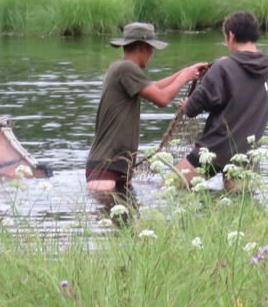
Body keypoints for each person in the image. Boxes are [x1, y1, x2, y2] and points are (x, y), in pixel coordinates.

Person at [85, 22, 207, 192]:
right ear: (143, 47)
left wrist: (184, 72)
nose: (152, 55)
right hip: (105, 167)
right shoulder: (126, 68)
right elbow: (162, 99)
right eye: (151, 49)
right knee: (107, 213)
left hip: (119, 167)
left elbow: (155, 87)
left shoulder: (122, 69)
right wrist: (184, 77)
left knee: (126, 217)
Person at [176, 11, 268, 186]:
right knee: (237, 207)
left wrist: (186, 105)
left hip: (213, 150)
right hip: (247, 156)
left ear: (231, 35)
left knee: (171, 190)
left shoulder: (223, 67)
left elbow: (193, 109)